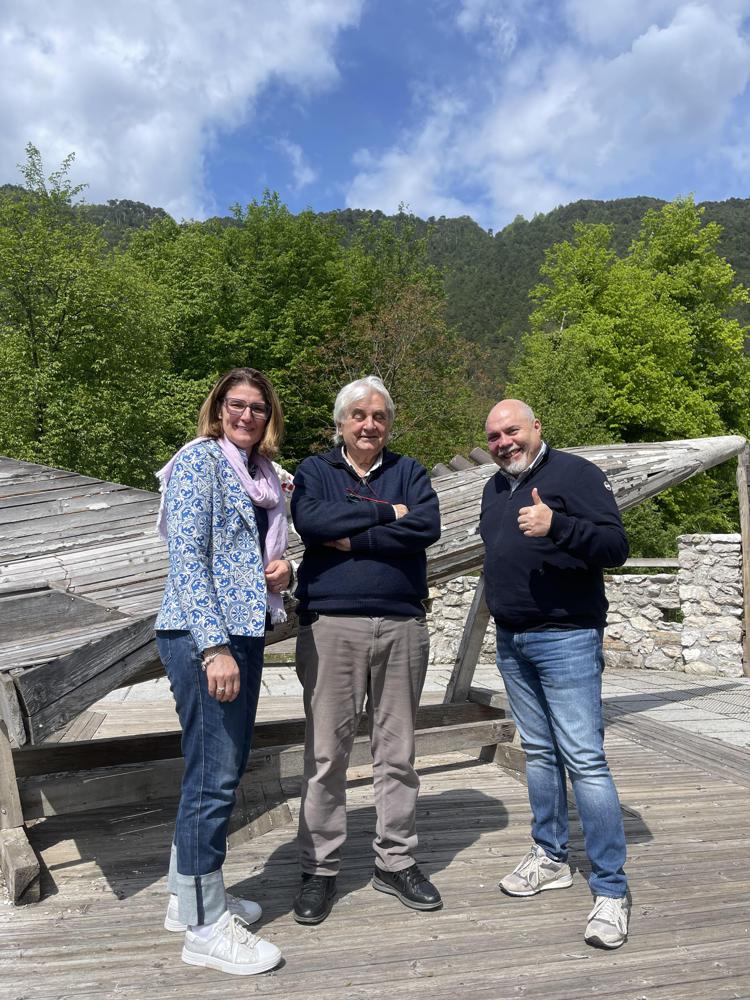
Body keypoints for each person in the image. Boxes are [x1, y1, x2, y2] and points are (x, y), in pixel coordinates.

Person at [154, 367, 292, 975]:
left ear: (269, 417)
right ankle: (206, 930)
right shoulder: (200, 462)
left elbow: (247, 552)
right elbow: (188, 556)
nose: (245, 415)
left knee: (217, 769)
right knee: (214, 778)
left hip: (243, 630)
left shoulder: (261, 476)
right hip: (206, 636)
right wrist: (214, 649)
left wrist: (284, 572)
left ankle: (187, 898)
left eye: (257, 407)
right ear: (218, 408)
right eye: (236, 404)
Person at [290, 375, 442, 924]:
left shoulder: (410, 472)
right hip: (332, 623)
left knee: (397, 752)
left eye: (379, 416)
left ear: (389, 424)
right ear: (341, 424)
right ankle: (320, 869)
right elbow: (311, 521)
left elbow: (428, 525)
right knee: (326, 754)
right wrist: (388, 513)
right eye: (359, 415)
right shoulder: (315, 471)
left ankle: (395, 862)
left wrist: (354, 534)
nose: (369, 424)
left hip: (401, 623)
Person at [480, 399, 631, 950]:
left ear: (536, 427)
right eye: (494, 436)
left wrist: (558, 524)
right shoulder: (494, 487)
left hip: (566, 636)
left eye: (512, 431)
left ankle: (611, 889)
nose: (503, 443)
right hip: (512, 639)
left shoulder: (576, 474)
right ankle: (550, 857)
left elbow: (615, 546)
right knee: (539, 753)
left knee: (585, 759)